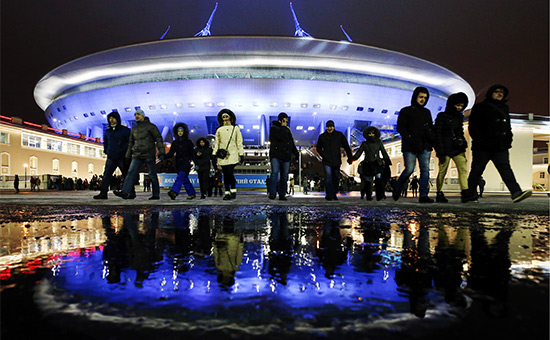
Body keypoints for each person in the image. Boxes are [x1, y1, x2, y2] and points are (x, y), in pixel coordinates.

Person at [465, 84, 531, 203]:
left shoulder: (504, 108)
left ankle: (516, 192)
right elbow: (473, 126)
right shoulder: (480, 107)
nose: (499, 94)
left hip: (500, 146)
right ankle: (470, 195)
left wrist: (508, 140)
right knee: (477, 170)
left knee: (505, 169)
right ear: (490, 93)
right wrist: (480, 140)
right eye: (496, 91)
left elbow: (507, 126)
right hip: (482, 147)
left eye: (502, 92)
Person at [392, 87, 435, 203]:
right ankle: (398, 187)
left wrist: (431, 141)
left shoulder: (427, 112)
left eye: (425, 98)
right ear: (415, 96)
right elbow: (401, 127)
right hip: (410, 146)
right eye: (421, 97)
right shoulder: (406, 111)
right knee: (409, 169)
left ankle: (423, 195)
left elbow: (430, 128)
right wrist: (410, 138)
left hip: (425, 145)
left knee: (425, 170)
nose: (423, 100)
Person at [114, 109, 165, 200]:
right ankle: (125, 192)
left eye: (138, 114)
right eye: (135, 115)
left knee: (152, 174)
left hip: (148, 154)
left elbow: (158, 139)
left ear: (143, 116)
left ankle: (156, 194)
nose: (136, 116)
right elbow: (131, 143)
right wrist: (128, 155)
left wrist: (161, 152)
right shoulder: (134, 129)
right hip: (137, 155)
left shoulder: (151, 127)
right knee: (130, 173)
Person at [434, 92, 470, 203]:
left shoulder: (459, 117)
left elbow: (460, 132)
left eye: (462, 106)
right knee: (442, 171)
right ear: (451, 104)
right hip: (445, 149)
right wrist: (439, 151)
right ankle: (439, 193)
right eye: (457, 105)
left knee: (463, 170)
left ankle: (465, 192)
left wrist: (463, 143)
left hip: (457, 148)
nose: (459, 108)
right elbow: (438, 134)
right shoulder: (442, 116)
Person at [94, 111, 131, 199]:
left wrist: (124, 151)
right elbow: (106, 143)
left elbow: (129, 142)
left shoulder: (125, 130)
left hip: (122, 156)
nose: (111, 120)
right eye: (110, 118)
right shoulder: (108, 132)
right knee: (106, 175)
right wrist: (107, 151)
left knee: (126, 175)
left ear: (117, 119)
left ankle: (130, 192)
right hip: (111, 157)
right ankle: (103, 193)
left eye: (113, 118)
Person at [316, 120, 352, 200]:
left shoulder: (339, 135)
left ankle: (334, 193)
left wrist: (350, 157)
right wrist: (323, 155)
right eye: (328, 127)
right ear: (326, 127)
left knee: (335, 177)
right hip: (327, 161)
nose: (329, 128)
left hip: (336, 160)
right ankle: (329, 195)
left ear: (333, 127)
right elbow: (318, 147)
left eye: (331, 126)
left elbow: (346, 146)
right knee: (328, 177)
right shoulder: (322, 136)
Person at [212, 109, 244, 200]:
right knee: (225, 174)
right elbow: (217, 143)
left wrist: (241, 153)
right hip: (222, 155)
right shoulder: (219, 129)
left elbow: (239, 142)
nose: (225, 119)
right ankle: (227, 192)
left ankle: (232, 190)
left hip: (233, 153)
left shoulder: (235, 128)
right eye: (223, 117)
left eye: (226, 117)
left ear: (230, 117)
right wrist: (214, 153)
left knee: (229, 172)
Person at [352, 126, 391, 201]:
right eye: (369, 133)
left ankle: (372, 195)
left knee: (372, 180)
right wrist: (387, 160)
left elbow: (383, 152)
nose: (371, 134)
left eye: (372, 133)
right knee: (373, 180)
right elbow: (383, 153)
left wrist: (352, 159)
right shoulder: (377, 142)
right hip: (375, 163)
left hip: (371, 163)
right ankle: (375, 195)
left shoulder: (365, 144)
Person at [268, 112, 299, 201]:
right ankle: (272, 193)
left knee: (284, 176)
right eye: (284, 120)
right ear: (280, 120)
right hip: (276, 155)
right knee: (274, 173)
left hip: (286, 156)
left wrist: (296, 153)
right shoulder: (274, 128)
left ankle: (282, 194)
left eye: (286, 121)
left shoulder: (287, 130)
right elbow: (278, 138)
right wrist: (282, 127)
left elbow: (291, 142)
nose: (286, 122)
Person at [166, 123, 197, 200]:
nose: (180, 132)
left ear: (184, 132)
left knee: (180, 177)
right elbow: (171, 153)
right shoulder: (175, 142)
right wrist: (163, 156)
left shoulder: (188, 142)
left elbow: (193, 154)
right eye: (178, 131)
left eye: (181, 131)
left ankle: (174, 191)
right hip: (178, 163)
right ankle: (192, 193)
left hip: (186, 162)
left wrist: (196, 163)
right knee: (184, 179)